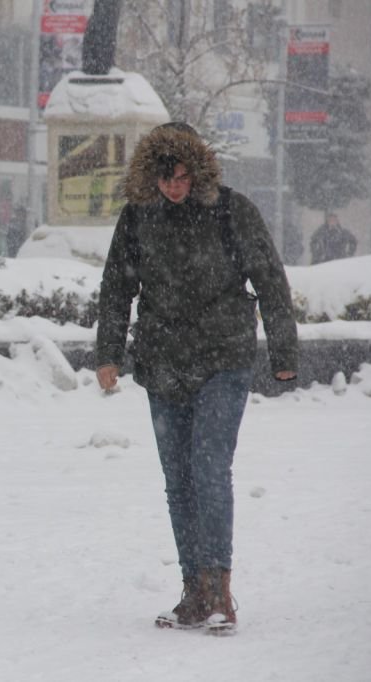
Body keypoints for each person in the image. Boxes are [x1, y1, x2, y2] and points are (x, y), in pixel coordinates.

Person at [95, 122, 298, 633]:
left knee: (208, 469)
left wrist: (283, 350)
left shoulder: (231, 211)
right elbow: (117, 288)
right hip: (163, 362)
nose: (174, 187)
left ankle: (219, 590)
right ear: (152, 176)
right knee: (178, 481)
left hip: (223, 357)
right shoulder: (138, 217)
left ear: (198, 172)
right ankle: (194, 589)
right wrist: (109, 353)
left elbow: (270, 280)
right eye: (166, 178)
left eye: (183, 177)